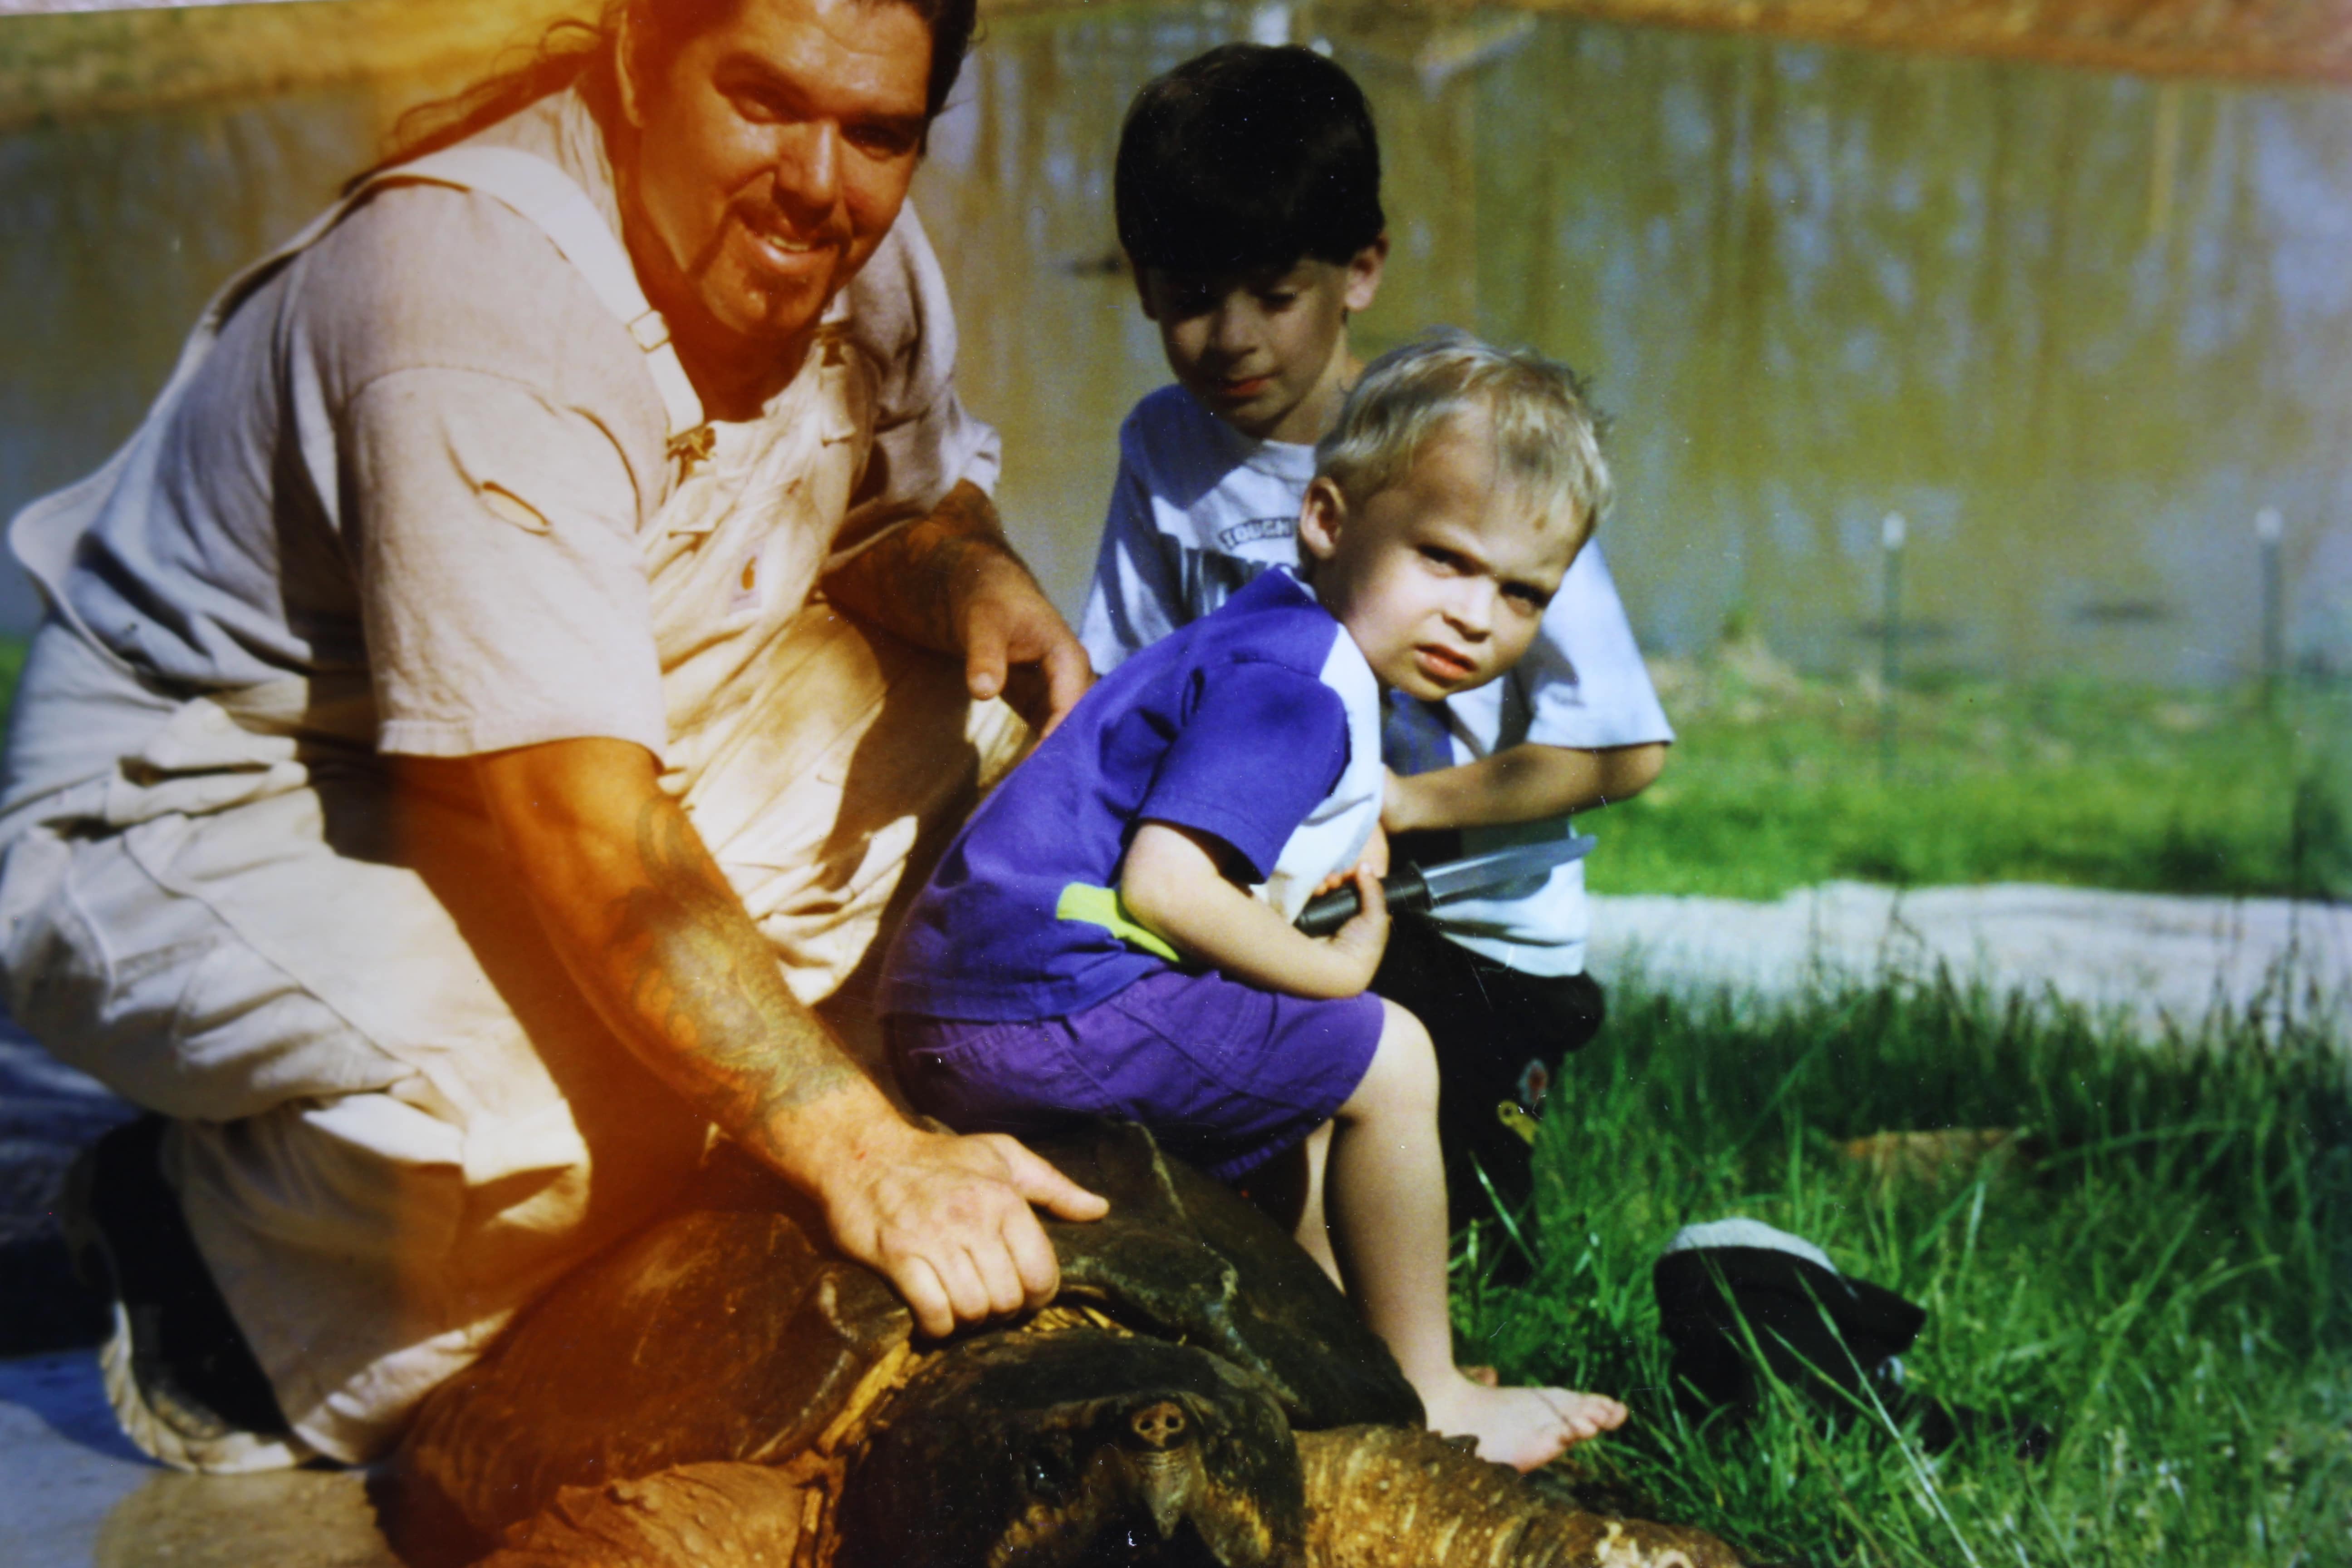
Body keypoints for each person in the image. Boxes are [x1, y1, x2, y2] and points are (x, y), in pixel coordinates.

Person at [0, 0, 1109, 1474]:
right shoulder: (469, 302)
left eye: (877, 132)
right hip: (195, 800)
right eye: (763, 100)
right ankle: (208, 1283)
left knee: (948, 733)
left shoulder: (846, 247)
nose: (819, 180)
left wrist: (971, 567)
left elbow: (894, 505)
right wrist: (858, 1146)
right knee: (581, 1116)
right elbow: (594, 832)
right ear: (642, 61)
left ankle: (499, 1172)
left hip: (500, 736)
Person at [882, 336, 1631, 1471]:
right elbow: (1166, 883)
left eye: (1521, 593)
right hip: (1041, 1007)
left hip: (983, 1001)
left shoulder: (1274, 632)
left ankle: (1360, 1354)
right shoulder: (1299, 688)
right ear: (1328, 518)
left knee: (1310, 1079)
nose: (1478, 616)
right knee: (1390, 1055)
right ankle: (1432, 1394)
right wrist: (1333, 971)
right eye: (1444, 558)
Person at [1078, 43, 1674, 1244]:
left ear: (1360, 271)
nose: (1232, 337)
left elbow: (1620, 752)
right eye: (1191, 296)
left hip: (1467, 930)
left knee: (1455, 1238)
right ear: (1142, 286)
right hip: (1268, 907)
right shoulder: (1164, 452)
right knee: (1201, 1186)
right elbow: (1119, 680)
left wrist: (1399, 805)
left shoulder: (1464, 453)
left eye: (1273, 294)